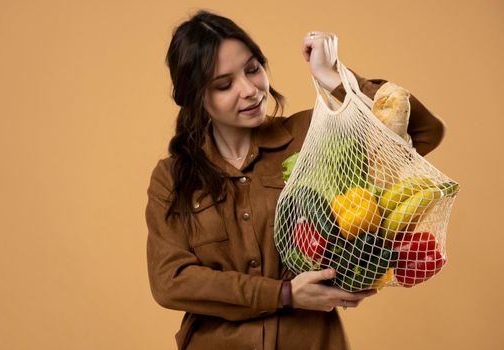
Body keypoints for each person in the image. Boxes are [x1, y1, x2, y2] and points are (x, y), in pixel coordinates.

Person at [145, 10, 444, 350]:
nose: (249, 90)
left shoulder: (312, 136)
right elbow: (171, 282)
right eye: (224, 85)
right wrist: (284, 294)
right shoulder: (171, 177)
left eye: (253, 69)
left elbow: (424, 131)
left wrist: (335, 77)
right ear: (195, 98)